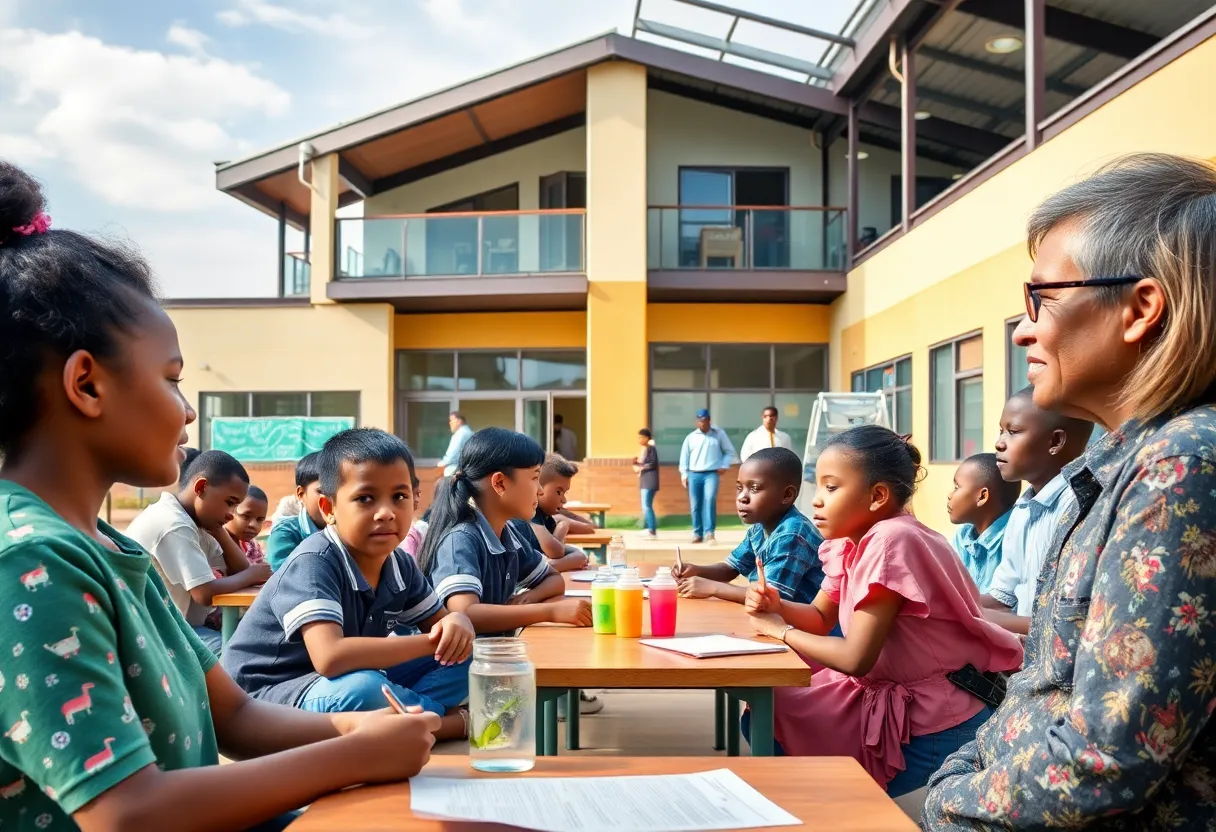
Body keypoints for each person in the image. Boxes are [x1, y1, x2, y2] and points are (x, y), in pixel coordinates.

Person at [0, 160, 440, 831]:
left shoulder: (107, 545)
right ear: (86, 384)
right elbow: (127, 815)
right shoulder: (30, 560)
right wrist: (352, 755)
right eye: (172, 379)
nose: (186, 411)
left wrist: (359, 729)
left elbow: (233, 716)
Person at [923, 153, 1216, 830]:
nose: (1022, 329)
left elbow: (1106, 759)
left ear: (1140, 309)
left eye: (1042, 300)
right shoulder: (1116, 461)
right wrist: (958, 776)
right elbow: (1042, 693)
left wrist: (941, 803)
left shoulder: (1180, 468)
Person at [745, 426, 1023, 796]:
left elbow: (855, 658)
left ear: (877, 496)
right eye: (818, 486)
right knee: (769, 709)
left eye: (831, 487)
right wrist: (778, 606)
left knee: (785, 738)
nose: (816, 500)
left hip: (937, 721)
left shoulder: (892, 541)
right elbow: (820, 617)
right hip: (889, 697)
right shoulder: (852, 541)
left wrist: (780, 629)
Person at [222, 430, 473, 740]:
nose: (386, 513)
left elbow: (443, 626)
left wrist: (457, 623)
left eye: (399, 497)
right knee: (364, 689)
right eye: (365, 498)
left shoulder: (398, 563)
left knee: (468, 654)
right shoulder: (315, 560)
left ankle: (402, 720)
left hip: (347, 679)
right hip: (268, 696)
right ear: (329, 509)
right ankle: (446, 724)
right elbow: (330, 658)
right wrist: (435, 642)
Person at [417, 428, 593, 638]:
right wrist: (550, 611)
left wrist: (529, 597)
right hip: (467, 658)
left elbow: (554, 579)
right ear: (500, 483)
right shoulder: (461, 539)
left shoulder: (507, 534)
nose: (540, 490)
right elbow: (464, 612)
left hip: (493, 653)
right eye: (534, 477)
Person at [126, 450, 272, 656]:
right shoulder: (175, 524)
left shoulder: (197, 522)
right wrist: (251, 575)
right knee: (245, 655)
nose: (231, 514)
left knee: (259, 642)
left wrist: (220, 531)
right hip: (160, 634)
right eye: (230, 503)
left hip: (184, 627)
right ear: (201, 488)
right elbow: (204, 593)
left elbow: (239, 569)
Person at [979, 387, 1092, 635]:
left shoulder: (1077, 507)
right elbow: (1002, 597)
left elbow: (1066, 625)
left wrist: (973, 615)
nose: (999, 443)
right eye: (1001, 430)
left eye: (1013, 432)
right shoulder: (1022, 509)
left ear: (1055, 442)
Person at [673, 447, 824, 605]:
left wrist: (712, 587)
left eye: (754, 488)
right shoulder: (759, 528)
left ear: (787, 495)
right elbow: (730, 569)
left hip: (806, 620)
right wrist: (696, 571)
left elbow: (769, 597)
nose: (742, 497)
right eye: (739, 488)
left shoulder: (793, 534)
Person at [946, 453, 1021, 593]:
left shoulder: (1015, 537)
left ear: (982, 496)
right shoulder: (963, 536)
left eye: (957, 487)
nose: (949, 495)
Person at [678, 408, 737, 544]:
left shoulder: (718, 434)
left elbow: (729, 451)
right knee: (695, 504)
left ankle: (709, 532)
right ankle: (697, 533)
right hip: (694, 474)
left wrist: (724, 465)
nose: (702, 423)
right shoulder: (691, 437)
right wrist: (684, 474)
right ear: (697, 421)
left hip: (711, 473)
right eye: (700, 420)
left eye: (704, 420)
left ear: (709, 420)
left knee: (709, 500)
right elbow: (684, 457)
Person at [265, 451, 325, 571]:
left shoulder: (347, 530)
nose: (331, 498)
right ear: (301, 494)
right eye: (322, 491)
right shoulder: (285, 533)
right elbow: (287, 575)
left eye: (337, 491)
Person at [226, 484, 269, 565]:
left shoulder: (252, 546)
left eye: (260, 520)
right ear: (228, 511)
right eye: (246, 516)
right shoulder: (213, 545)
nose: (253, 525)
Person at [634, 428, 660, 538]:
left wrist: (640, 467)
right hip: (645, 480)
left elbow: (652, 463)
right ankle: (649, 528)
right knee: (645, 506)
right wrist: (636, 463)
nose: (639, 440)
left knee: (647, 506)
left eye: (641, 437)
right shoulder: (644, 449)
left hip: (650, 481)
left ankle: (652, 531)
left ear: (646, 438)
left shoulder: (651, 448)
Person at [438, 411, 473, 477]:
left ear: (459, 421)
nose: (450, 423)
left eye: (451, 421)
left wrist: (442, 463)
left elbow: (452, 454)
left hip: (455, 469)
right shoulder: (470, 432)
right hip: (468, 470)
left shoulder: (460, 434)